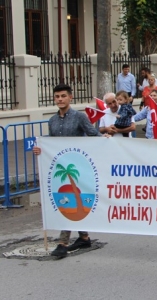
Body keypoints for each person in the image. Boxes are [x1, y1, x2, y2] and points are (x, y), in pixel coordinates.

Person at [32, 84, 104, 258]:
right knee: (70, 199)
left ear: (70, 97)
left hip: (77, 166)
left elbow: (93, 135)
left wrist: (107, 141)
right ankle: (84, 237)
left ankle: (63, 243)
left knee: (70, 199)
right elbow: (52, 143)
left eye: (63, 96)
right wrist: (40, 149)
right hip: (61, 168)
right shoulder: (52, 121)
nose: (60, 99)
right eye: (57, 96)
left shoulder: (79, 117)